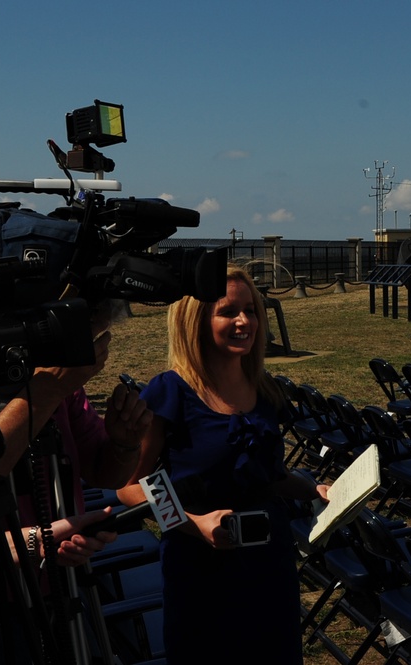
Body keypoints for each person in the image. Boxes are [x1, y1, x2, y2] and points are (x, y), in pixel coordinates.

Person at [0, 302, 153, 664]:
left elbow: (105, 472)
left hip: (60, 596)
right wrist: (45, 391)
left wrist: (125, 442)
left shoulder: (56, 384)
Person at [116, 264, 329, 665]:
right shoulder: (170, 391)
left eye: (251, 310)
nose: (244, 321)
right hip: (200, 568)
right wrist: (193, 523)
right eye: (228, 311)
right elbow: (131, 486)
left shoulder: (264, 389)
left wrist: (313, 489)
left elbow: (269, 476)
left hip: (269, 561)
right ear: (195, 321)